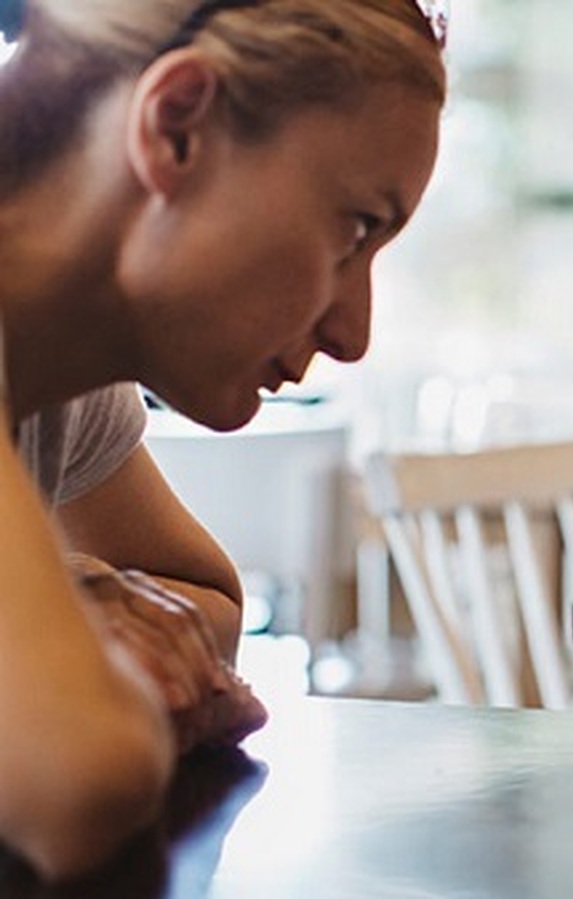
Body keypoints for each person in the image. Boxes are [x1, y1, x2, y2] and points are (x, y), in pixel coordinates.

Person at [0, 0, 445, 881]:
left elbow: (206, 604)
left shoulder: (61, 376)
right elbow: (81, 777)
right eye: (356, 227)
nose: (353, 333)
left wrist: (69, 598)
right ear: (177, 127)